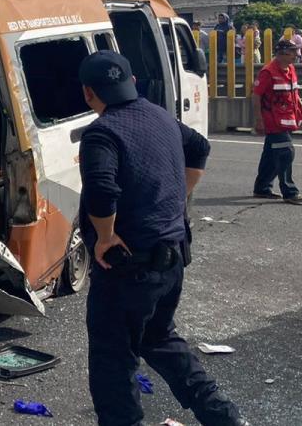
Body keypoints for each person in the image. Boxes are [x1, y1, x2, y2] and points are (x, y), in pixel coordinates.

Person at [77, 50, 245, 426]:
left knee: (112, 361)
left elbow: (102, 190)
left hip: (127, 269)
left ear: (88, 93)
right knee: (160, 338)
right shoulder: (159, 116)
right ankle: (222, 416)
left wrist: (104, 236)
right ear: (132, 82)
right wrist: (178, 197)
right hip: (171, 261)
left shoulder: (102, 133)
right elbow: (200, 147)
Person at [252, 39, 302, 205]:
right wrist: (259, 120)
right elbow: (256, 96)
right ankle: (290, 192)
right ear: (283, 53)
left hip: (286, 120)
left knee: (271, 156)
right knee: (286, 153)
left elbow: (294, 93)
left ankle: (262, 188)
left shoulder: (290, 69)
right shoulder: (268, 72)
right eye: (293, 52)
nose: (296, 56)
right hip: (273, 121)